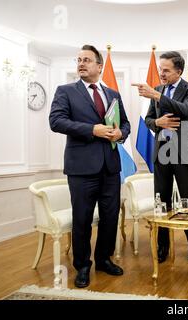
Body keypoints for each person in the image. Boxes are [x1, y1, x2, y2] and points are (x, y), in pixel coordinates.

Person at [49, 45, 130, 288]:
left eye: (87, 60)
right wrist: (91, 129)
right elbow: (56, 121)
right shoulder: (66, 91)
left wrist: (120, 134)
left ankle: (104, 259)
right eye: (79, 60)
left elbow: (125, 123)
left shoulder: (113, 94)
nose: (81, 64)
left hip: (110, 167)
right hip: (81, 168)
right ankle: (82, 266)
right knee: (82, 219)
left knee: (110, 217)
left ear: (99, 66)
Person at [134, 51, 188, 263]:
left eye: (166, 70)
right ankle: (163, 245)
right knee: (161, 201)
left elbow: (186, 111)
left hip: (184, 150)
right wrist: (158, 123)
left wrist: (156, 96)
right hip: (161, 151)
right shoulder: (158, 89)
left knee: (187, 200)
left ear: (178, 71)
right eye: (160, 69)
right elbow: (148, 120)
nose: (161, 74)